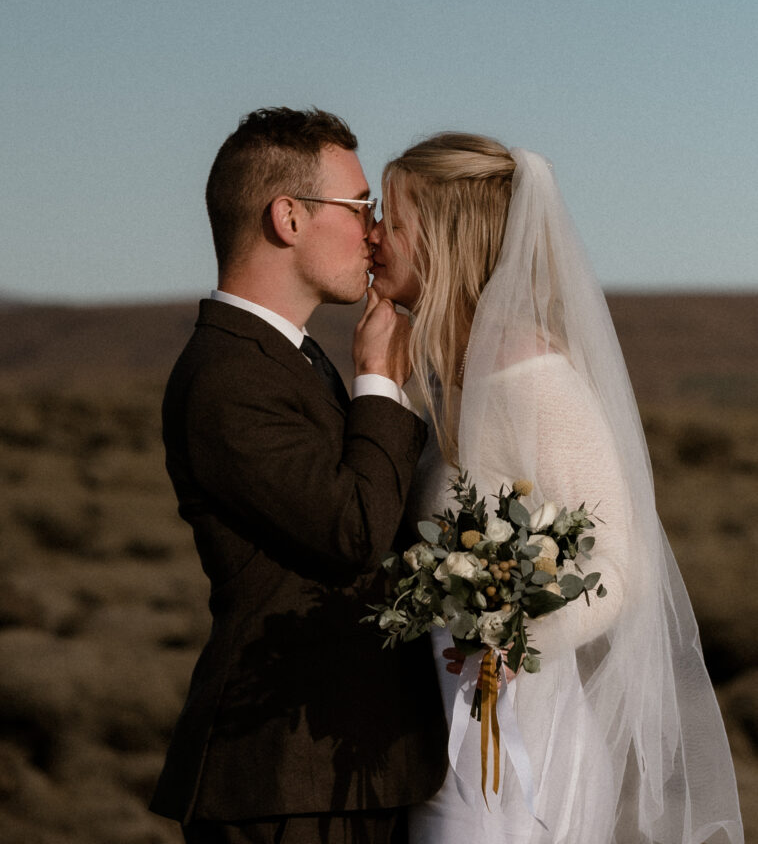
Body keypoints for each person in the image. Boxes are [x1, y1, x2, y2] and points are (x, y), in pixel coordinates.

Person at [368, 132, 744, 844]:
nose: (373, 236)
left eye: (392, 219)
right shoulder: (448, 376)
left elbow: (617, 562)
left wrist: (518, 638)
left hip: (519, 757)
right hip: (446, 748)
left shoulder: (531, 377)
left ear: (444, 239)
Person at [150, 108, 448, 844]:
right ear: (287, 217)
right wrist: (378, 377)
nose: (373, 231)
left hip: (334, 763)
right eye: (359, 208)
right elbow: (352, 530)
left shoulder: (289, 357)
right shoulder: (229, 375)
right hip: (282, 778)